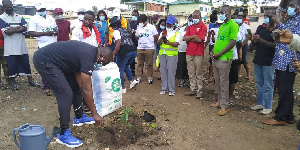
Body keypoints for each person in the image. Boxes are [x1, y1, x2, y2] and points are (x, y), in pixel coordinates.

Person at [33, 41, 111, 148]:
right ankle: (63, 133)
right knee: (66, 94)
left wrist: (81, 89)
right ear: (101, 56)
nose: (101, 65)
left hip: (61, 63)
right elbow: (87, 90)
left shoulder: (91, 53)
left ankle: (79, 116)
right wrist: (95, 114)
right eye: (103, 62)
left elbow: (80, 81)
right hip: (45, 61)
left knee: (76, 86)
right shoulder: (88, 57)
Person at [262, 0, 300, 126]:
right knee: (285, 89)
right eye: (290, 5)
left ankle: (280, 117)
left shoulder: (298, 20)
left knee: (284, 89)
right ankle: (288, 115)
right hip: (281, 60)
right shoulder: (290, 19)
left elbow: (292, 37)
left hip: (290, 61)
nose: (290, 7)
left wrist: (279, 23)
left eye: (293, 5)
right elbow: (282, 34)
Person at [0, 0, 40, 91]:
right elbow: (7, 32)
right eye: (6, 6)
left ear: (12, 5)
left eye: (10, 6)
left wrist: (12, 28)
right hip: (10, 46)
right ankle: (13, 82)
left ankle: (30, 80)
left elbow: (25, 28)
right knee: (11, 65)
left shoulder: (19, 16)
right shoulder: (1, 18)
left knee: (26, 63)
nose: (9, 8)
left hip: (21, 45)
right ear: (3, 7)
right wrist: (19, 28)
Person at [210, 5, 239, 116]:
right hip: (216, 57)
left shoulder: (233, 25)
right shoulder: (222, 26)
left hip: (224, 58)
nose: (220, 14)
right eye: (220, 12)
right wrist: (213, 51)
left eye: (222, 12)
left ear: (228, 13)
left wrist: (219, 54)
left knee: (223, 83)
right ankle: (219, 101)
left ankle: (224, 106)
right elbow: (219, 40)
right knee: (217, 81)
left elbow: (232, 43)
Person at [249, 10, 276, 115]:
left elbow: (275, 45)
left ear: (273, 17)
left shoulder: (276, 30)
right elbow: (255, 42)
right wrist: (254, 41)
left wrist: (261, 41)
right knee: (259, 83)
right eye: (264, 15)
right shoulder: (261, 27)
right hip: (258, 59)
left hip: (269, 61)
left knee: (268, 84)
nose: (266, 17)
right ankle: (260, 103)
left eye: (268, 16)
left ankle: (268, 106)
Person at [28, 3, 58, 96]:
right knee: (45, 67)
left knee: (55, 66)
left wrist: (56, 32)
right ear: (37, 10)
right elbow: (31, 33)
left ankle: (55, 85)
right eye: (40, 10)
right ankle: (46, 87)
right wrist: (45, 33)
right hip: (43, 46)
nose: (42, 11)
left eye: (43, 9)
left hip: (53, 45)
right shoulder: (33, 19)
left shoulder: (50, 18)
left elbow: (55, 29)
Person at [109, 17, 138, 93]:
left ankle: (122, 87)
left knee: (120, 69)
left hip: (125, 51)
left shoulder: (116, 31)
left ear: (113, 25)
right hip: (134, 50)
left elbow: (118, 43)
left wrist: (113, 54)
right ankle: (132, 80)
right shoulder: (124, 30)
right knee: (125, 66)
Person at [183, 10, 207, 99]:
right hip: (189, 52)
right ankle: (193, 89)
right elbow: (184, 38)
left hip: (198, 53)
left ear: (200, 17)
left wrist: (190, 38)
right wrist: (194, 36)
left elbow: (200, 40)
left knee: (198, 72)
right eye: (193, 17)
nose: (195, 18)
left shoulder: (203, 27)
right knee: (191, 72)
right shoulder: (190, 27)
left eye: (196, 17)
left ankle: (199, 91)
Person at [157, 15, 180, 96]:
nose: (168, 26)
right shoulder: (163, 32)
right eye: (167, 24)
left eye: (170, 24)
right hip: (162, 54)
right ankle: (164, 88)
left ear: (173, 24)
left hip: (172, 55)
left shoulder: (177, 33)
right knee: (163, 72)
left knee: (171, 72)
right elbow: (158, 43)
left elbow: (177, 44)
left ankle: (171, 89)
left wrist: (169, 43)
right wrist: (162, 37)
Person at [135, 14, 158, 84]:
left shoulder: (152, 27)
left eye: (141, 21)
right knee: (140, 63)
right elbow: (136, 36)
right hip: (140, 48)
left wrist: (150, 42)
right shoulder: (139, 27)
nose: (140, 23)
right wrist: (140, 41)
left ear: (145, 21)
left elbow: (156, 36)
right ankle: (139, 76)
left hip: (149, 48)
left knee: (149, 63)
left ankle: (150, 77)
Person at [177, 16, 192, 87]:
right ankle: (182, 79)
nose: (191, 21)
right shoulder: (181, 29)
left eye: (192, 20)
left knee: (190, 66)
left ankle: (190, 81)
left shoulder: (194, 30)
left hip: (191, 50)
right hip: (181, 50)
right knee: (182, 65)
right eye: (190, 20)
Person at [205, 10, 219, 83]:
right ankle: (210, 77)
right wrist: (205, 45)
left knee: (216, 61)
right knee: (211, 61)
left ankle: (214, 76)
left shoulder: (220, 24)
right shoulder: (210, 25)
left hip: (218, 44)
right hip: (212, 44)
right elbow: (209, 36)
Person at [237, 15, 251, 80]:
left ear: (243, 20)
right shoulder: (236, 26)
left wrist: (242, 45)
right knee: (238, 60)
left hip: (244, 45)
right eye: (238, 18)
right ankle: (238, 74)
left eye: (240, 19)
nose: (238, 20)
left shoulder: (246, 26)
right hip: (237, 45)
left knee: (244, 60)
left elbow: (248, 37)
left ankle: (248, 75)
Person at [129, 9, 139, 77]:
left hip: (140, 42)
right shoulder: (129, 23)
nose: (134, 17)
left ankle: (140, 71)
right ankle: (132, 70)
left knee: (140, 58)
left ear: (138, 16)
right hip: (131, 42)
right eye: (133, 15)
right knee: (132, 58)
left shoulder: (140, 23)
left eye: (135, 15)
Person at [0, 4, 8, 89]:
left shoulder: (3, 20)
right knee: (5, 63)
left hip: (4, 44)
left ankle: (8, 80)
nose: (3, 12)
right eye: (2, 10)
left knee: (6, 63)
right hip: (3, 43)